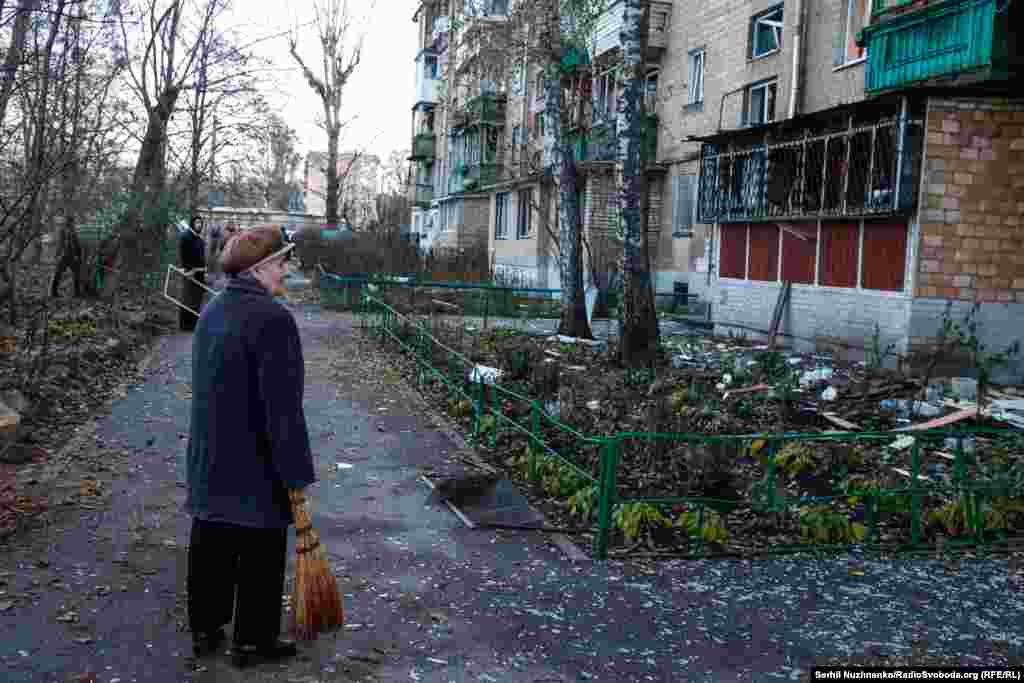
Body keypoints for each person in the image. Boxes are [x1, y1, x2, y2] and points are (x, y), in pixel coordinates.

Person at [184, 224, 316, 668]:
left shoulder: (213, 309)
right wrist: (295, 472)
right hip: (257, 457)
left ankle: (206, 628)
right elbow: (283, 408)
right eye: (282, 262)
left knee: (212, 536)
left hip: (211, 452)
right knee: (261, 545)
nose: (286, 270)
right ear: (260, 268)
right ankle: (253, 641)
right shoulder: (273, 319)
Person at [178, 216, 207, 332]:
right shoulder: (186, 237)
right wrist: (187, 269)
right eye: (197, 223)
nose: (199, 225)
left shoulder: (199, 239)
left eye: (200, 223)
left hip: (200, 273)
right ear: (192, 224)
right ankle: (185, 325)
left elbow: (201, 257)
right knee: (187, 298)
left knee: (196, 299)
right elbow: (183, 254)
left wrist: (204, 269)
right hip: (190, 272)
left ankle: (194, 324)